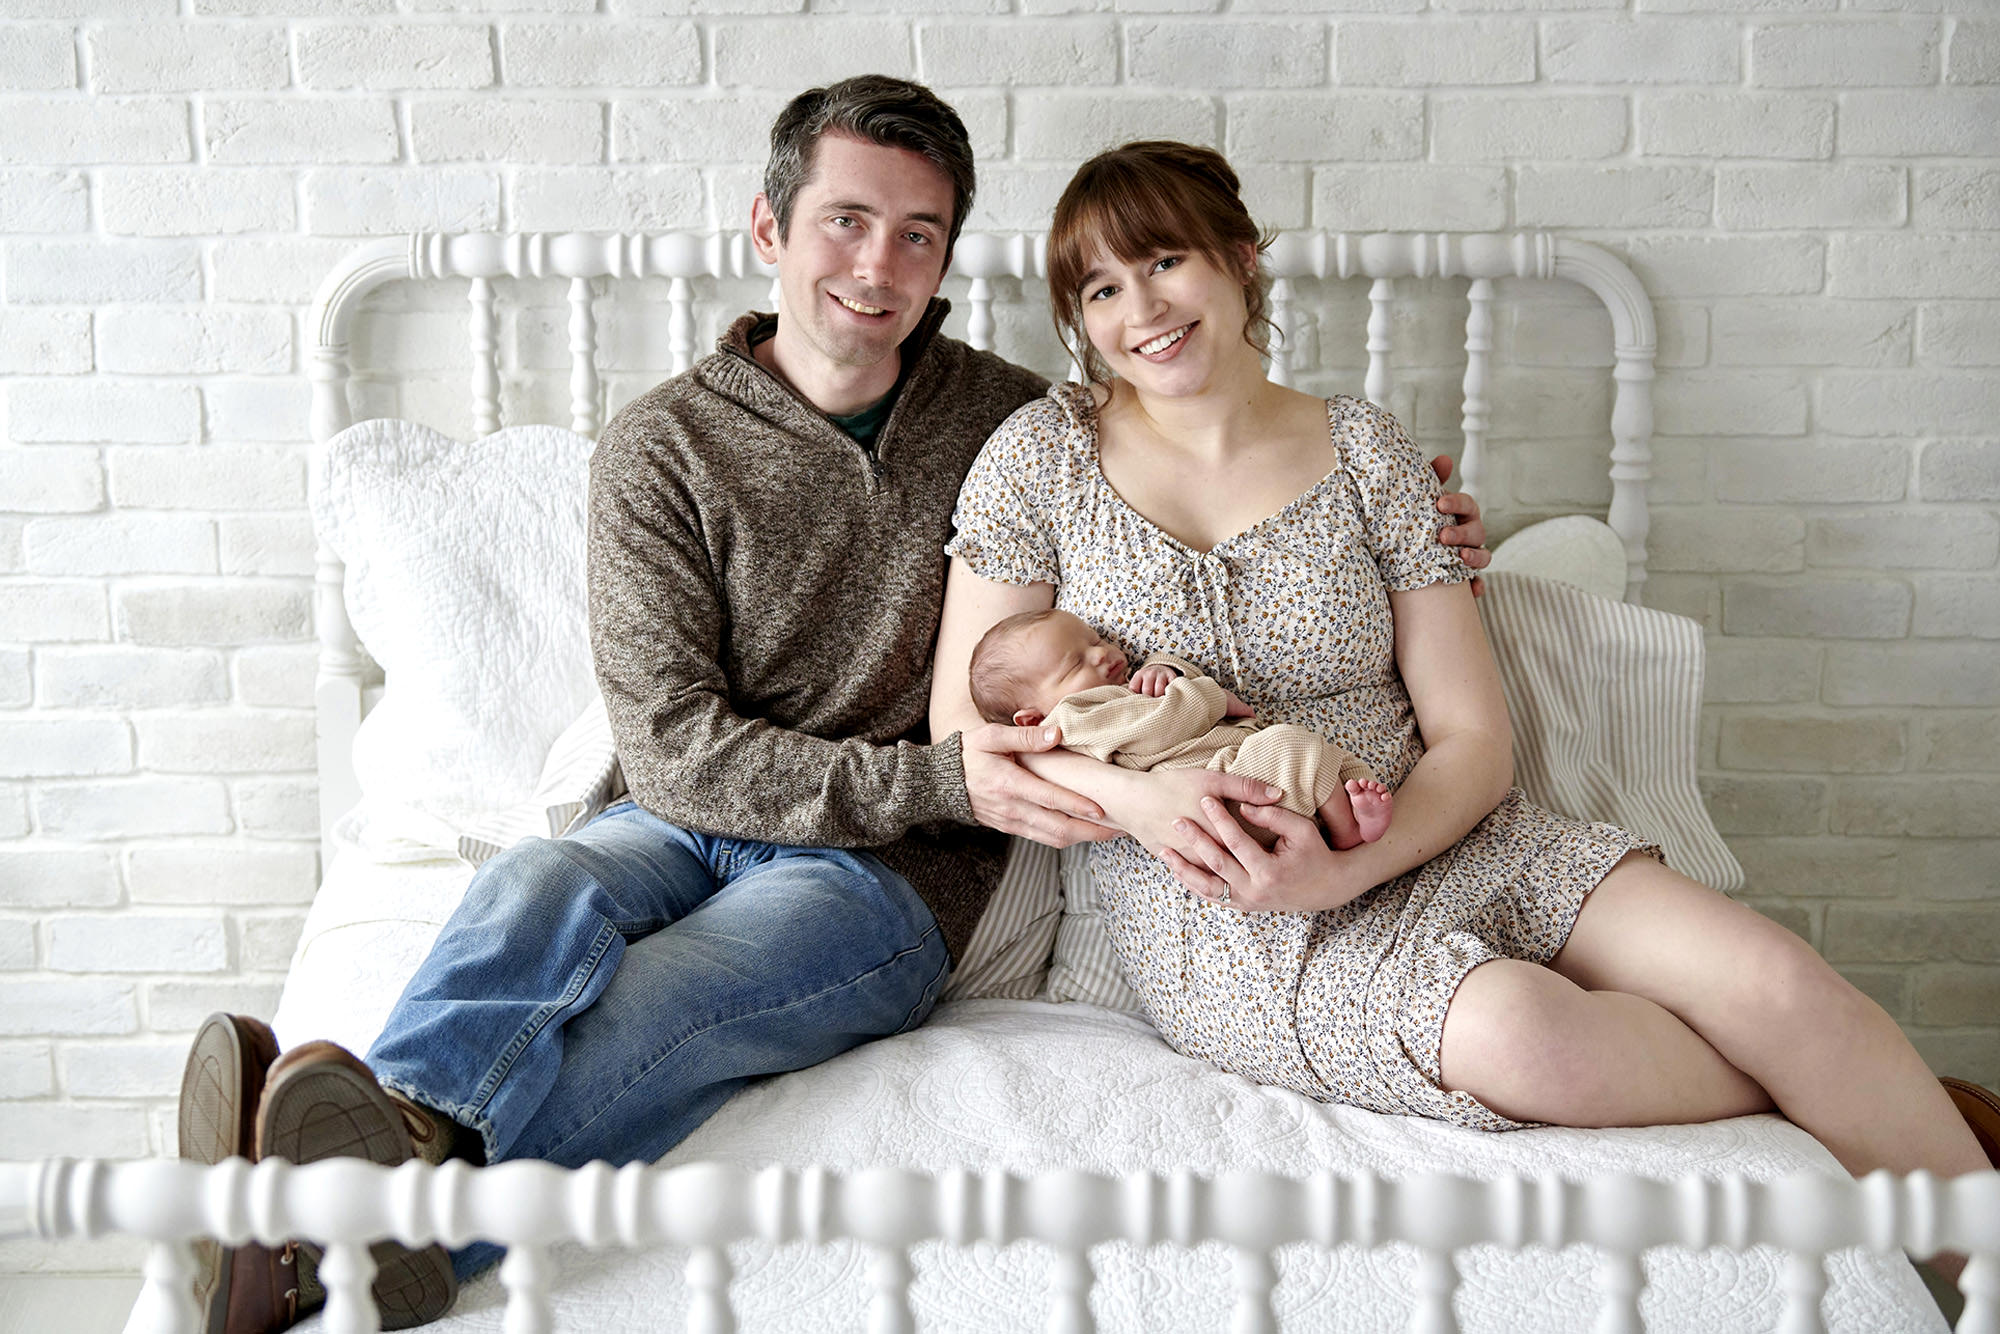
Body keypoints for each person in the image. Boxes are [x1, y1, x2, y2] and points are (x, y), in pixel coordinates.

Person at [173, 83, 1498, 1333]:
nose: (878, 266)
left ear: (944, 258)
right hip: (687, 813)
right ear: (771, 228)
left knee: (672, 1005)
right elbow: (672, 744)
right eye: (846, 222)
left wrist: (1401, 498)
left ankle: (313, 1220)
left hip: (888, 877)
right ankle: (377, 1169)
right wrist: (940, 776)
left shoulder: (1011, 422)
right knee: (533, 886)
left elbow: (1202, 435)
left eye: (918, 236)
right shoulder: (663, 446)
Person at [929, 139, 1999, 1283]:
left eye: (1163, 260)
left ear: (1240, 262)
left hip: (1441, 827)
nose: (1139, 307)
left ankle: (1945, 1211)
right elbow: (965, 736)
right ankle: (1856, 1099)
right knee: (1525, 1034)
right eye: (1098, 288)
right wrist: (1140, 802)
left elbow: (1473, 739)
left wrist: (1353, 861)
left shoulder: (1366, 449)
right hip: (1227, 911)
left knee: (1778, 981)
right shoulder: (1038, 457)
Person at [968, 607, 1392, 849]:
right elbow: (1163, 723)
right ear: (1033, 721)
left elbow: (1153, 707)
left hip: (1232, 769)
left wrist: (1165, 670)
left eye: (1095, 640)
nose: (1100, 654)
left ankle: (1354, 805)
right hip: (1219, 795)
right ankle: (1346, 833)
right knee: (1291, 747)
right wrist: (1206, 694)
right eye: (1076, 663)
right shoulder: (1072, 720)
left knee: (1326, 761)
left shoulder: (1113, 698)